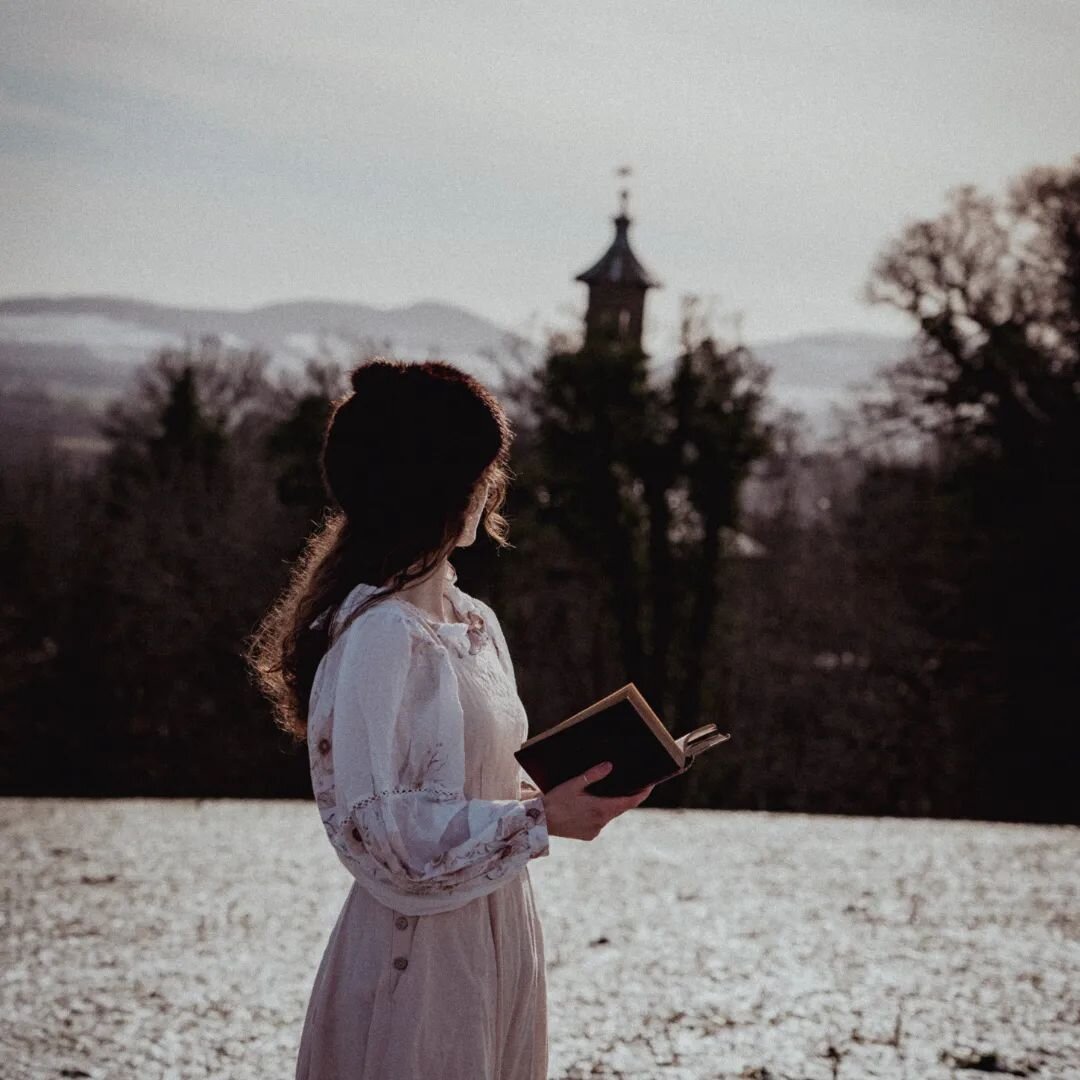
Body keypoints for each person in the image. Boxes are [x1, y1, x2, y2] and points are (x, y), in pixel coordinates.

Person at [246, 357, 654, 1080]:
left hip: (495, 927)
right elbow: (384, 835)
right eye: (479, 473)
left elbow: (465, 792)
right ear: (439, 489)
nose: (491, 490)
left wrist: (563, 795)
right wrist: (537, 824)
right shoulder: (379, 636)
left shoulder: (473, 622)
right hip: (419, 955)